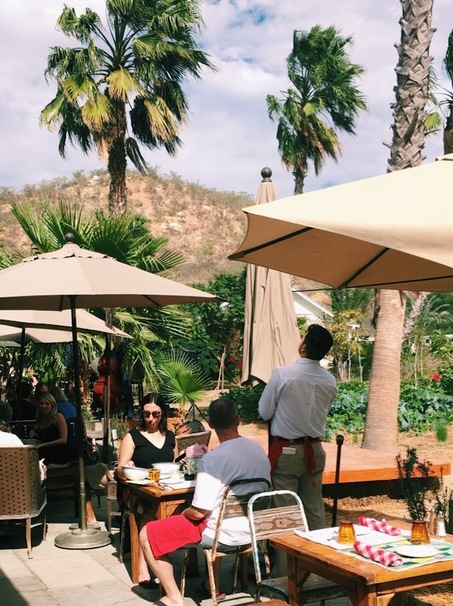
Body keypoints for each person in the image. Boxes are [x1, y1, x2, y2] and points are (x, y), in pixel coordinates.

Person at [139, 397, 271, 606]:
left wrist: (183, 511)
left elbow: (199, 512)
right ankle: (211, 585)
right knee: (213, 514)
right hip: (255, 530)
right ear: (238, 420)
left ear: (209, 423)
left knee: (147, 533)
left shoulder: (213, 459)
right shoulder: (258, 450)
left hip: (221, 534)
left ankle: (174, 597)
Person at [258, 324, 336, 533]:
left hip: (288, 451)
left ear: (303, 347)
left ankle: (286, 556)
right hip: (315, 450)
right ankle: (316, 553)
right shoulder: (330, 380)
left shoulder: (283, 374)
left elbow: (264, 412)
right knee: (314, 510)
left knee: (285, 512)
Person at [116, 392, 176, 588]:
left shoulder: (170, 437)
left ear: (163, 413)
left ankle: (189, 561)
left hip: (164, 489)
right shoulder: (132, 436)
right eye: (146, 414)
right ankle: (143, 566)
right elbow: (119, 469)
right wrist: (128, 468)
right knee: (148, 510)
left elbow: (174, 464)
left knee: (186, 506)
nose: (151, 419)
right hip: (136, 490)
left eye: (155, 414)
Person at [29, 392, 72, 464]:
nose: (44, 406)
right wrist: (33, 431)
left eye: (47, 403)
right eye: (41, 403)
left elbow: (63, 440)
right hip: (45, 451)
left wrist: (43, 445)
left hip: (58, 452)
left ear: (52, 405)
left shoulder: (58, 417)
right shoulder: (41, 419)